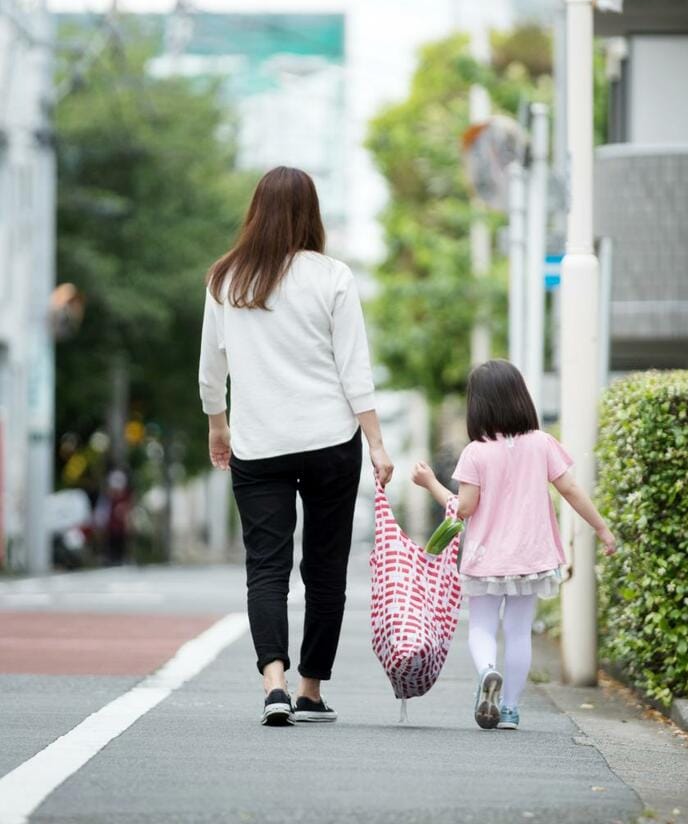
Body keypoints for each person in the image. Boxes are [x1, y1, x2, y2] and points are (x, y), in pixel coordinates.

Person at [198, 166, 393, 728]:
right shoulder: (332, 276)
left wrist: (218, 425)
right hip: (331, 439)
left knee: (267, 568)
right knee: (326, 569)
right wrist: (376, 443)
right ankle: (310, 690)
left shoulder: (226, 278)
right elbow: (354, 370)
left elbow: (213, 369)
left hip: (258, 444)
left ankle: (274, 684)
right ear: (312, 213)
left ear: (255, 211)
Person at [411, 359, 615, 731]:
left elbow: (465, 508)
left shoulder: (476, 452)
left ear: (479, 405)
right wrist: (602, 529)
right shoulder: (542, 444)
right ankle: (509, 710)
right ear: (520, 398)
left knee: (482, 628)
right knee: (519, 632)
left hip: (486, 558)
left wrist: (430, 483)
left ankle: (489, 670)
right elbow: (570, 489)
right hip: (532, 557)